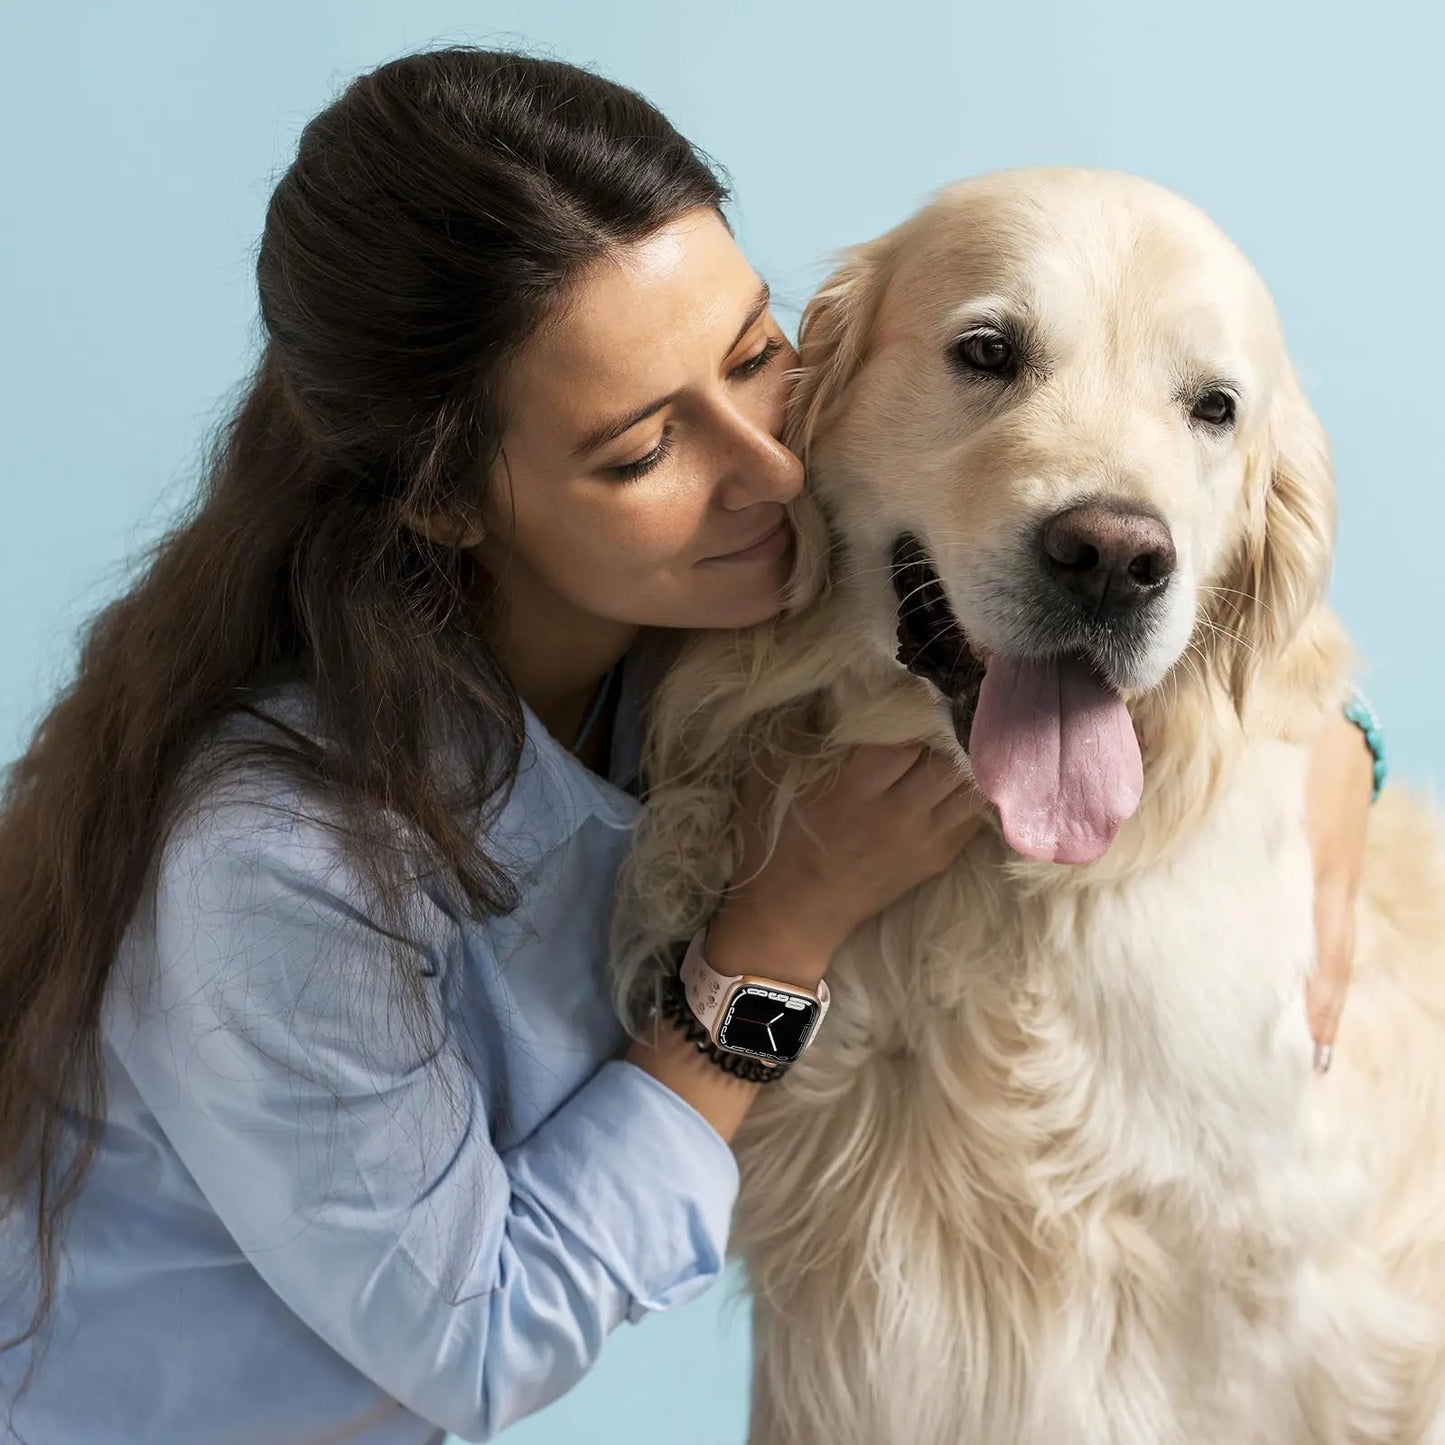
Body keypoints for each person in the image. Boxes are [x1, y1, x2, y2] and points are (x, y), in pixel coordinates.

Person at [0, 46, 1378, 1444]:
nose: (769, 465)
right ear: (450, 501)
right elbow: (481, 1342)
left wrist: (1331, 756)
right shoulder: (276, 865)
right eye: (642, 446)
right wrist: (779, 933)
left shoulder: (719, 654)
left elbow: (1262, 652)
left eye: (752, 357)